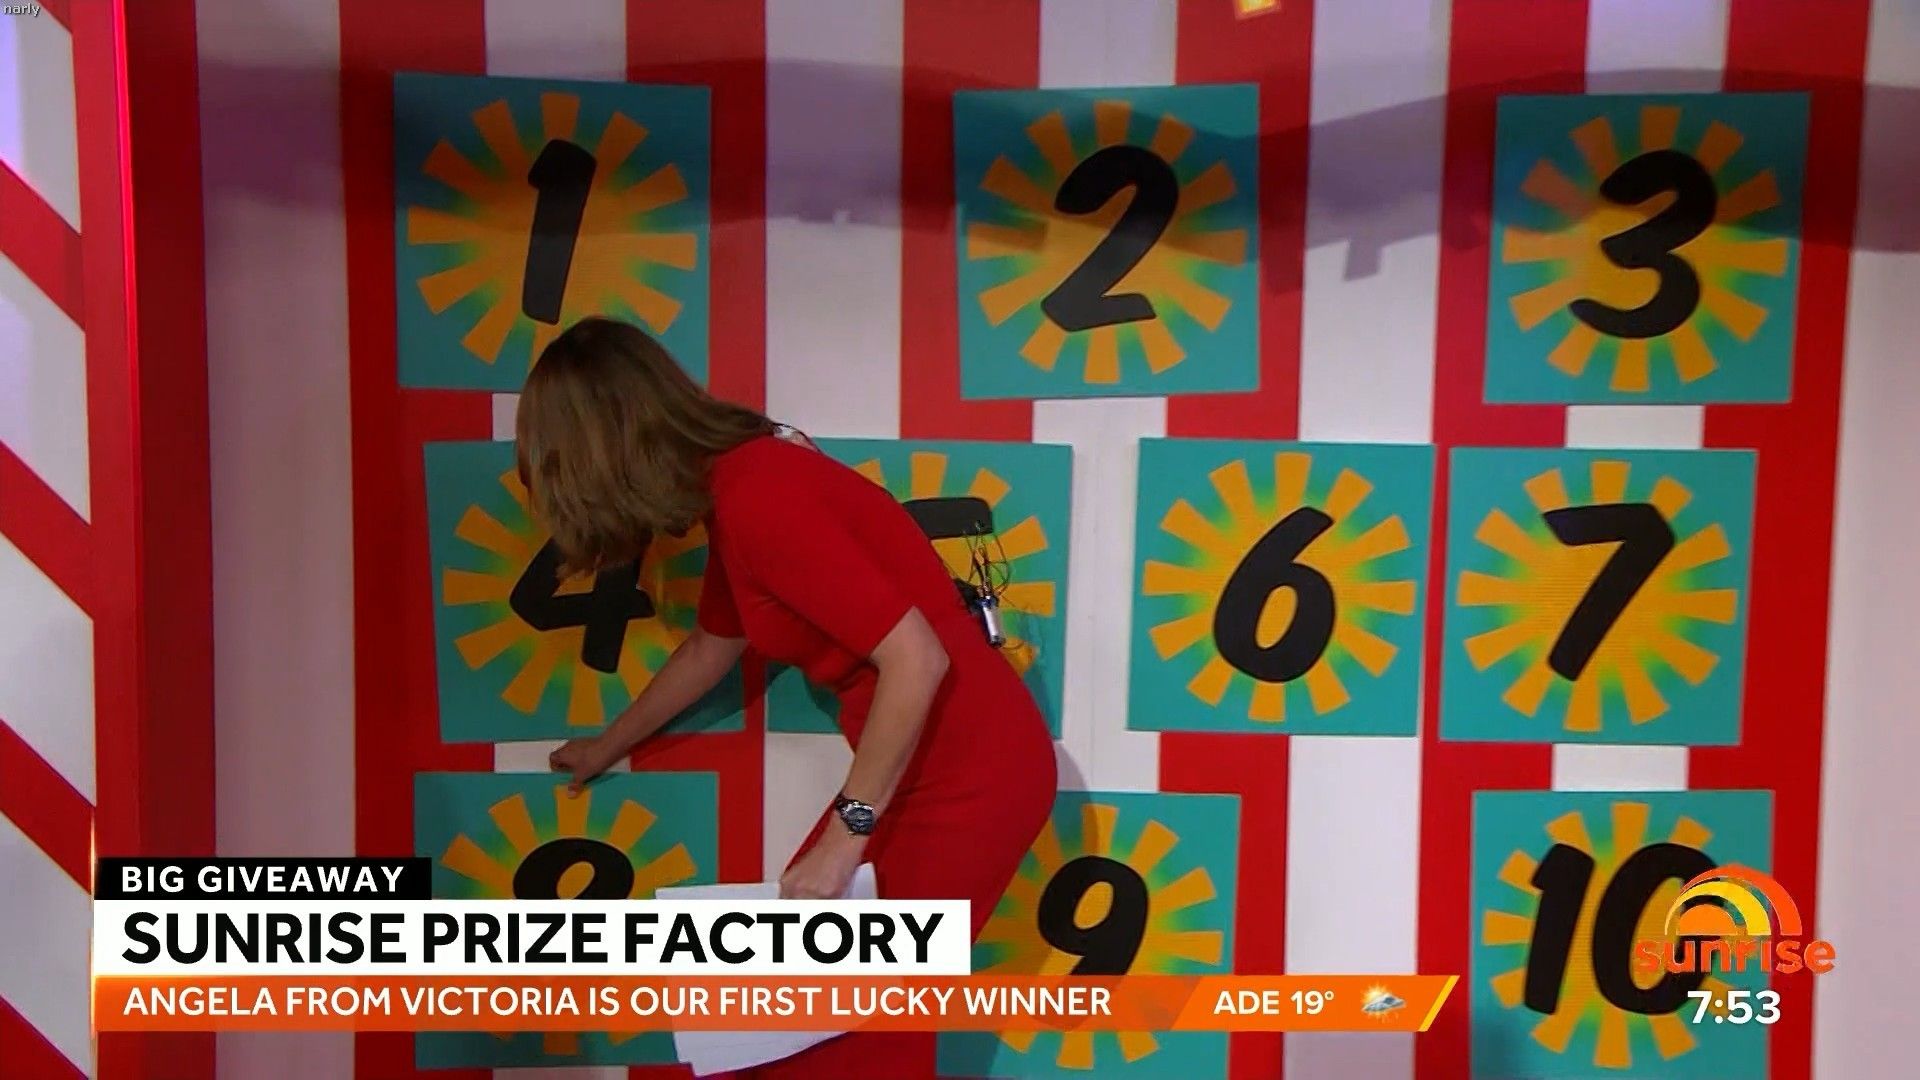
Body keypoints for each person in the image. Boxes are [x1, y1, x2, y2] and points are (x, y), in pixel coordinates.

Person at [521, 316, 1058, 1077]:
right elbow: (712, 647)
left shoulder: (759, 495)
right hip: (929, 767)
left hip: (965, 774)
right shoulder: (740, 488)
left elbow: (917, 658)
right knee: (784, 1026)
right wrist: (605, 747)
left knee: (840, 1037)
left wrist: (845, 838)